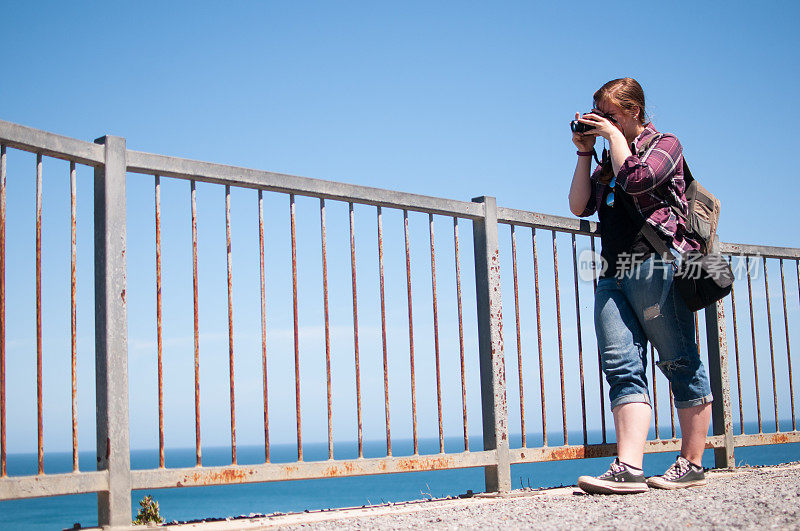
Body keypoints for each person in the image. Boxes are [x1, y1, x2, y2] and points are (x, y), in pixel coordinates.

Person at [568, 77, 713, 494]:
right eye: (598, 115)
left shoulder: (666, 144)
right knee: (621, 367)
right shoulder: (606, 161)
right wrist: (584, 153)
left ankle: (692, 462)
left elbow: (637, 179)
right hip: (613, 271)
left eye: (610, 114)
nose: (601, 122)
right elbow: (579, 204)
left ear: (633, 111)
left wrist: (614, 136)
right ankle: (628, 468)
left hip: (657, 264)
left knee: (679, 360)